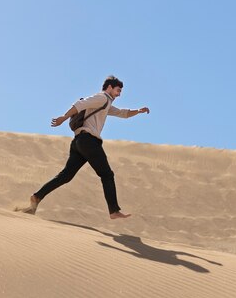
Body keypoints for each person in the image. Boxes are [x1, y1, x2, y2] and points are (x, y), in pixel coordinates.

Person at [20, 75, 150, 219]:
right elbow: (80, 104)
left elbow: (122, 113)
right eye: (118, 90)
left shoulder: (106, 104)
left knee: (66, 175)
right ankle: (114, 210)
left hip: (78, 142)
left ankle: (37, 197)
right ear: (109, 87)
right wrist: (63, 117)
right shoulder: (102, 98)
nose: (119, 94)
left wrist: (138, 111)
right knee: (107, 174)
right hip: (89, 141)